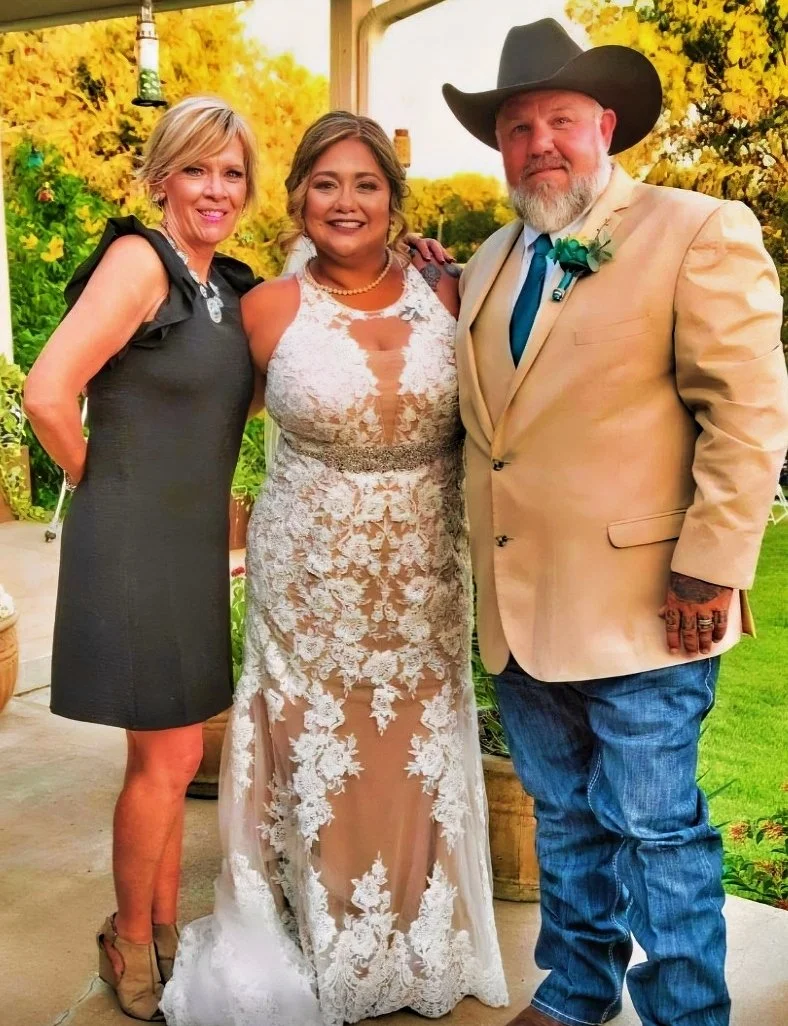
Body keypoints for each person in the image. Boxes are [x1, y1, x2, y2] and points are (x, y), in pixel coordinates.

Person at [440, 18, 788, 1026]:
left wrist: (708, 569)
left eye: (558, 119)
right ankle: (575, 992)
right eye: (515, 126)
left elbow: (746, 414)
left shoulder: (696, 229)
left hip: (650, 605)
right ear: (498, 145)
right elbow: (497, 429)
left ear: (605, 126)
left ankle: (685, 1014)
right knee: (562, 820)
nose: (537, 142)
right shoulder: (487, 259)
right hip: (519, 608)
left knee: (655, 830)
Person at [161, 111, 508, 1026]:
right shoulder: (265, 309)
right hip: (308, 580)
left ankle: (414, 936)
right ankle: (315, 935)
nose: (345, 202)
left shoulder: (451, 292)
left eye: (365, 184)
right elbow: (199, 427)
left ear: (394, 200)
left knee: (410, 755)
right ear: (299, 200)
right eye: (326, 184)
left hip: (428, 574)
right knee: (319, 758)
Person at [23, 96, 262, 1021]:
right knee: (166, 757)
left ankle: (161, 929)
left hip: (188, 547)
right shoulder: (138, 261)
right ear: (161, 177)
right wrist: (105, 485)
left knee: (163, 753)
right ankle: (131, 937)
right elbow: (48, 393)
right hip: (132, 545)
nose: (216, 189)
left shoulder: (224, 284)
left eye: (232, 172)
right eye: (197, 169)